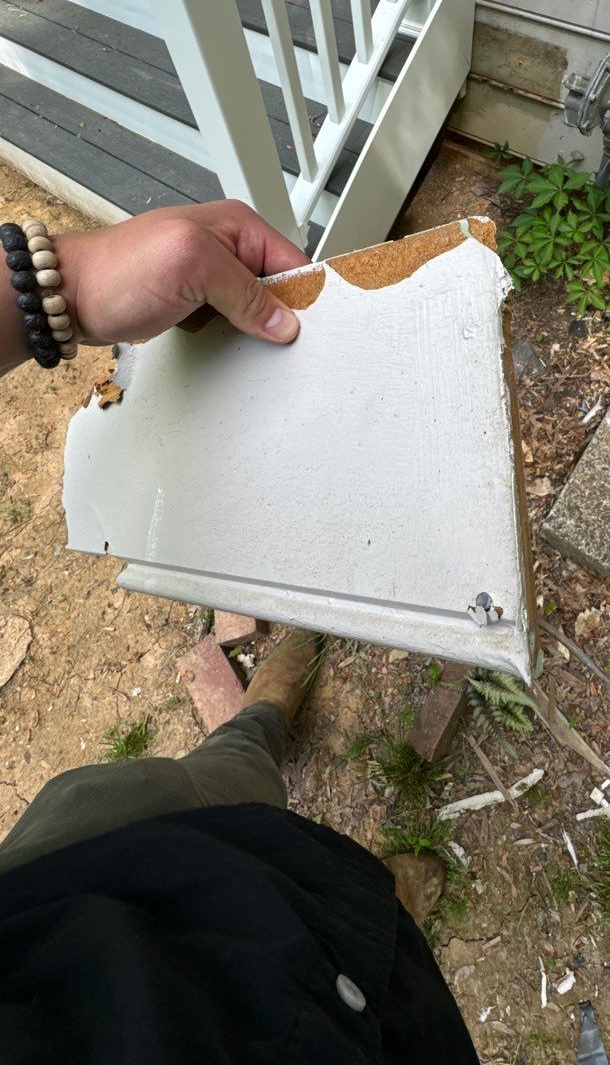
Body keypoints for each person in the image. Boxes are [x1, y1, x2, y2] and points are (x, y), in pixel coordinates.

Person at [0, 201, 478, 1064]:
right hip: (327, 1033)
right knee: (358, 928)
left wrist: (50, 282)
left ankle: (260, 723)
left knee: (184, 787)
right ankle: (379, 904)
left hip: (46, 890)